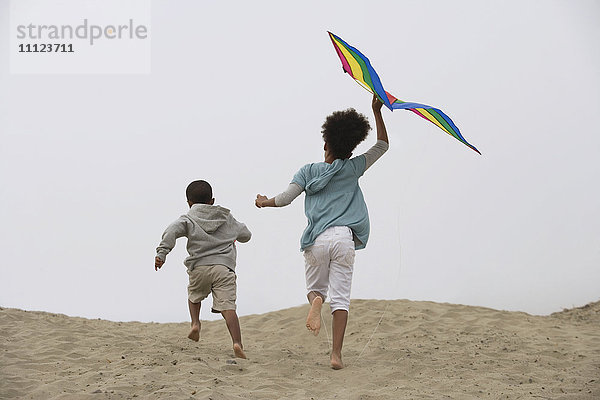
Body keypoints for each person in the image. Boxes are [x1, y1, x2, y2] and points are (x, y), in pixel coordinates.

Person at [255, 94, 389, 369]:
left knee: (316, 290)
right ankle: (336, 355)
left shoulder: (308, 171)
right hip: (344, 239)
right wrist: (377, 111)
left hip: (316, 240)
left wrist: (264, 201)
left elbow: (285, 198)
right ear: (350, 148)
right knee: (341, 299)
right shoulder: (353, 167)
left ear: (326, 143)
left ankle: (316, 301)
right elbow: (382, 145)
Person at [155, 180, 251, 359]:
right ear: (212, 201)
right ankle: (237, 343)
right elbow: (246, 234)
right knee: (228, 307)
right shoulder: (226, 217)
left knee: (194, 296)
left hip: (199, 268)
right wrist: (233, 236)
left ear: (189, 203)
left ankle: (195, 324)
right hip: (224, 268)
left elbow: (171, 231)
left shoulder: (187, 219)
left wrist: (162, 253)